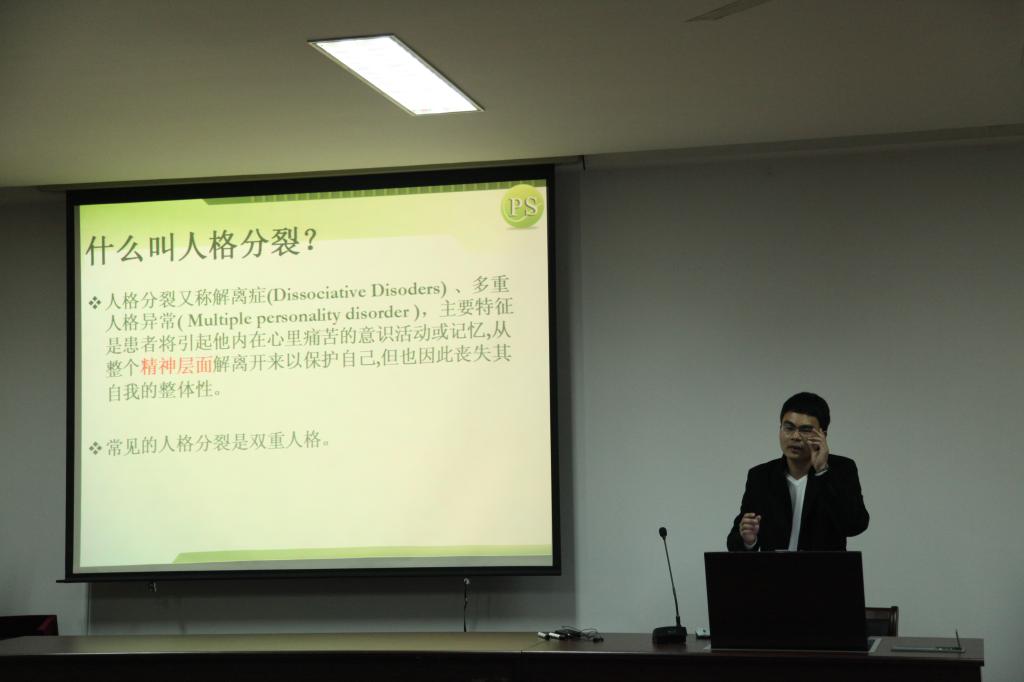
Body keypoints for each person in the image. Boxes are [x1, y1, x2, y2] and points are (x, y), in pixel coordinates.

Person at [726, 392, 869, 551]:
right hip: (774, 567)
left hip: (825, 567)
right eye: (788, 428)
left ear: (823, 435)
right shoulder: (761, 476)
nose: (795, 436)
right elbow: (735, 540)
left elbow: (855, 525)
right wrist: (748, 540)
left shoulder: (841, 469)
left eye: (805, 430)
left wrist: (822, 471)